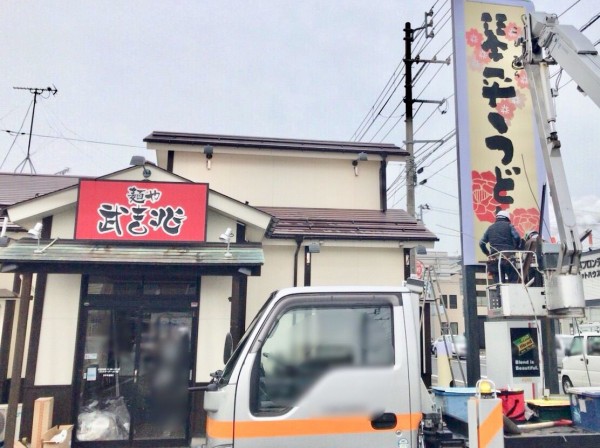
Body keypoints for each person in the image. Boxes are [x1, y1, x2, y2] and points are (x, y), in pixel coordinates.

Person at [479, 210, 523, 283]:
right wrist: (517, 247)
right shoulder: (509, 226)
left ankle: (499, 294)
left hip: (494, 260)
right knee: (513, 281)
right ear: (507, 218)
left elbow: (481, 243)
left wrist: (488, 253)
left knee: (499, 284)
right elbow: (517, 237)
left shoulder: (490, 228)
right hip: (508, 258)